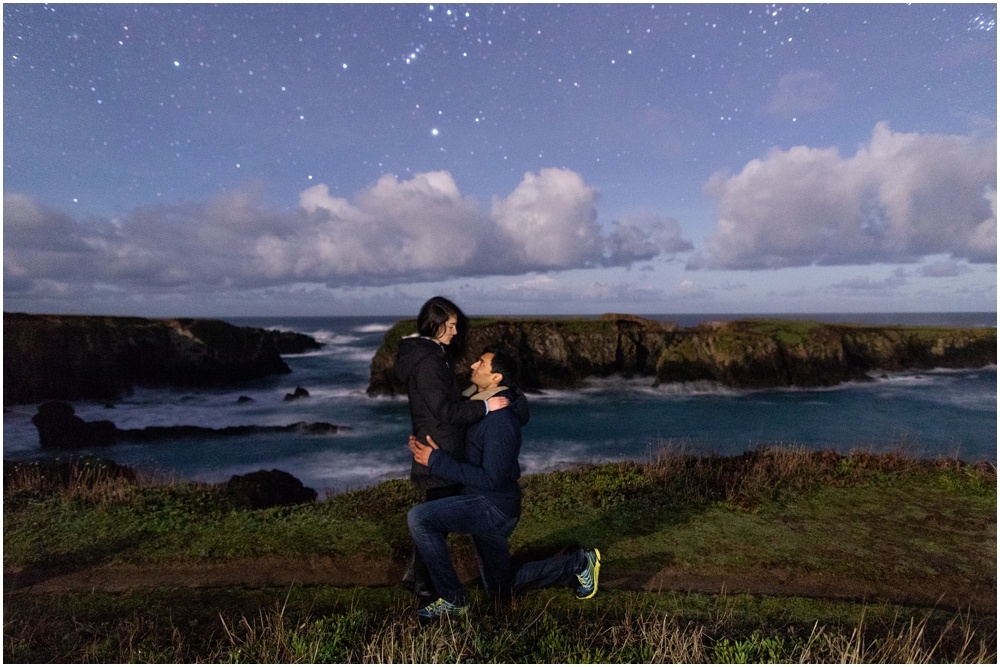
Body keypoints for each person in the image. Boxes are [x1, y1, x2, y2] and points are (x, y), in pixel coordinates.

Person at [407, 346, 600, 621]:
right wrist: (427, 446)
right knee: (500, 588)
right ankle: (579, 563)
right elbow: (461, 436)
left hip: (491, 507)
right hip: (487, 503)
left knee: (420, 518)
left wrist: (438, 462)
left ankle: (453, 599)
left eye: (481, 364)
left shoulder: (500, 421)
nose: (473, 365)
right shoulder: (482, 405)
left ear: (496, 378)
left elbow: (492, 479)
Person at [394, 296, 510, 599]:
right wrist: (486, 406)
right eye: (452, 325)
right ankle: (424, 587)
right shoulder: (429, 361)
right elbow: (444, 410)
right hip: (438, 450)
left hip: (435, 444)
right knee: (435, 519)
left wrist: (473, 389)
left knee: (435, 518)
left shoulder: (430, 355)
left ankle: (417, 577)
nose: (456, 331)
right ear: (436, 323)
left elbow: (436, 400)